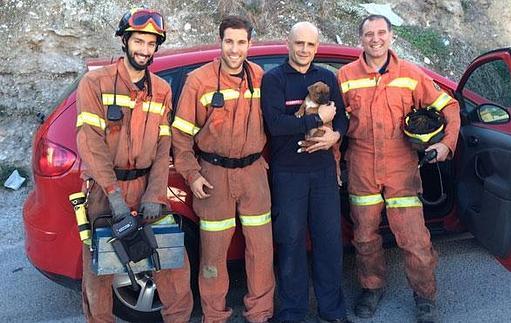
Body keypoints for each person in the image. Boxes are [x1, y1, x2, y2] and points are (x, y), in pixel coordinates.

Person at [337, 14, 461, 322]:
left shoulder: (410, 74)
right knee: (364, 237)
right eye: (369, 34)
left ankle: (425, 295)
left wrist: (446, 144)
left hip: (401, 168)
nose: (375, 38)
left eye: (381, 32)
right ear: (361, 39)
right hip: (361, 166)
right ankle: (372, 287)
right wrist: (332, 163)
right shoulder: (345, 76)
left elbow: (450, 106)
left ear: (391, 36)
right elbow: (333, 123)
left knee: (414, 238)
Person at [75, 8, 193, 323]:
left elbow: (162, 146)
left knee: (173, 267)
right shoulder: (95, 83)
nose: (144, 49)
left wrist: (155, 194)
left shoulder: (162, 90)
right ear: (125, 41)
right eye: (138, 41)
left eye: (151, 44)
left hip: (147, 189)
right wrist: (115, 198)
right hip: (103, 192)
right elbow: (91, 144)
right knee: (100, 277)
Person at [172, 16, 275, 323]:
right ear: (220, 42)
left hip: (254, 173)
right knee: (213, 256)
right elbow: (180, 135)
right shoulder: (199, 81)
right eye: (229, 41)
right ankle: (215, 316)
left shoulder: (259, 76)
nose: (235, 49)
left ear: (250, 44)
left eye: (241, 42)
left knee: (261, 252)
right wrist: (193, 175)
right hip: (212, 176)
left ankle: (260, 313)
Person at [261, 22, 350, 323]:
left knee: (329, 243)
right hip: (288, 175)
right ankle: (292, 313)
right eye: (299, 43)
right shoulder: (273, 80)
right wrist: (314, 121)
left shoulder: (327, 77)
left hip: (323, 173)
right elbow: (275, 125)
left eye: (310, 45)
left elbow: (344, 119)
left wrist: (335, 135)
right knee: (291, 244)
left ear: (316, 47)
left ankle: (332, 311)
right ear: (288, 43)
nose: (304, 50)